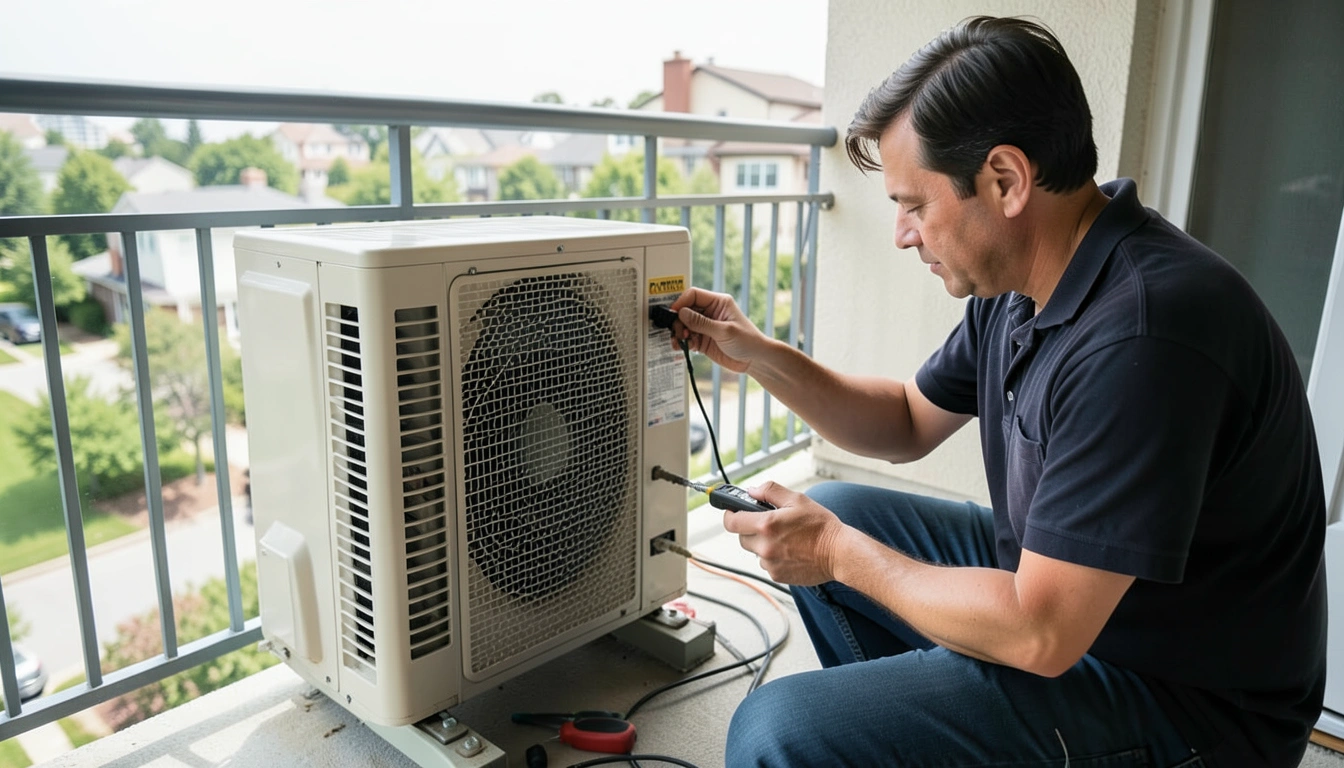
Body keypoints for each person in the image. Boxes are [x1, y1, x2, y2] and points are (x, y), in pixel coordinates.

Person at [668, 15, 1327, 768]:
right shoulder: (1024, 282)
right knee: (843, 510)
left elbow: (1042, 633)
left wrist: (836, 554)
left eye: (915, 205)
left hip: (1189, 701)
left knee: (776, 730)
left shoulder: (1145, 336)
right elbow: (906, 420)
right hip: (1082, 603)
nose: (902, 234)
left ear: (1006, 181)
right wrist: (760, 357)